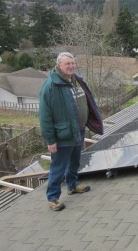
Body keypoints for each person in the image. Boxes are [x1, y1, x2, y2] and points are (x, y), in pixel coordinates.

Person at [39, 52, 103, 211]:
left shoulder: (77, 81)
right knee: (58, 166)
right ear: (59, 65)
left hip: (78, 130)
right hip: (62, 135)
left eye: (73, 63)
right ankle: (53, 197)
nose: (71, 66)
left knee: (75, 161)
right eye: (67, 64)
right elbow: (45, 117)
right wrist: (50, 140)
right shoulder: (50, 87)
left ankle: (72, 185)